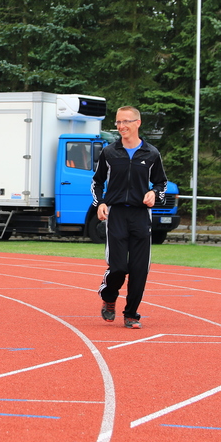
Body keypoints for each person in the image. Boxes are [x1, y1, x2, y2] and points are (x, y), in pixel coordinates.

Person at [91, 106, 169, 329]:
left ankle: (131, 314)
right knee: (118, 267)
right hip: (116, 214)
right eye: (118, 122)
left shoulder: (151, 154)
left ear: (138, 123)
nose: (121, 126)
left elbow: (161, 183)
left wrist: (154, 194)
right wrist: (101, 202)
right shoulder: (109, 153)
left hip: (140, 215)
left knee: (139, 268)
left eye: (126, 121)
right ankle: (109, 296)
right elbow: (97, 182)